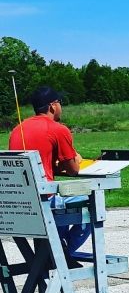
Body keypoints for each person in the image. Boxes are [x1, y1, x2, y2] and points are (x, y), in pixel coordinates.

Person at [6, 85, 91, 254]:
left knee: (61, 202)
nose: (61, 107)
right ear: (53, 105)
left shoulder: (17, 130)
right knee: (91, 203)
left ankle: (54, 253)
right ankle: (60, 253)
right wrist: (77, 159)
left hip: (21, 206)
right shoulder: (58, 129)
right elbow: (73, 170)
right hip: (45, 201)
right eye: (60, 102)